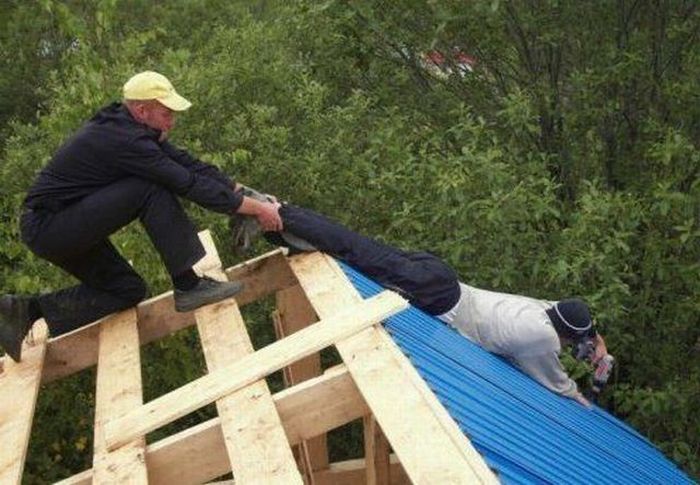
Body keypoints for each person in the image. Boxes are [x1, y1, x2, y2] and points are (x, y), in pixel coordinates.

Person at [0, 71, 283, 363]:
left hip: (61, 224)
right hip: (49, 227)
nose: (171, 121)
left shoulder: (132, 127)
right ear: (142, 109)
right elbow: (186, 183)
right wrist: (254, 209)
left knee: (127, 290)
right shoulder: (125, 140)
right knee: (150, 187)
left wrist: (243, 192)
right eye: (166, 113)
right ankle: (188, 286)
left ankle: (27, 310)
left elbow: (188, 164)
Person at [231, 190, 609, 407]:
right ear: (564, 334)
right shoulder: (542, 337)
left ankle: (279, 220)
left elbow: (575, 321)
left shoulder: (544, 310)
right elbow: (556, 383)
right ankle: (275, 211)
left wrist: (596, 344)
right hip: (437, 295)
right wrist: (582, 396)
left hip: (441, 277)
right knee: (350, 248)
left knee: (355, 247)